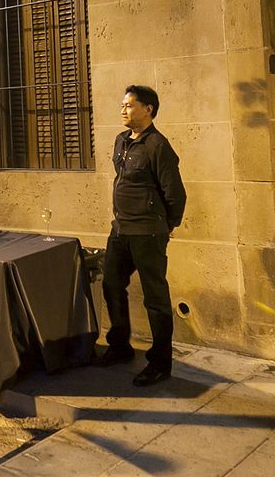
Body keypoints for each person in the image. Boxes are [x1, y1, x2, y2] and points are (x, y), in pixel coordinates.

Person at [99, 85, 186, 387]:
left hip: (147, 232)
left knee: (155, 298)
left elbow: (175, 192)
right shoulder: (121, 140)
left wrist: (168, 224)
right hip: (121, 229)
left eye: (129, 105)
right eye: (122, 105)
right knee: (111, 284)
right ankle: (120, 345)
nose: (123, 110)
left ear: (148, 109)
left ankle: (160, 363)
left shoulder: (158, 146)